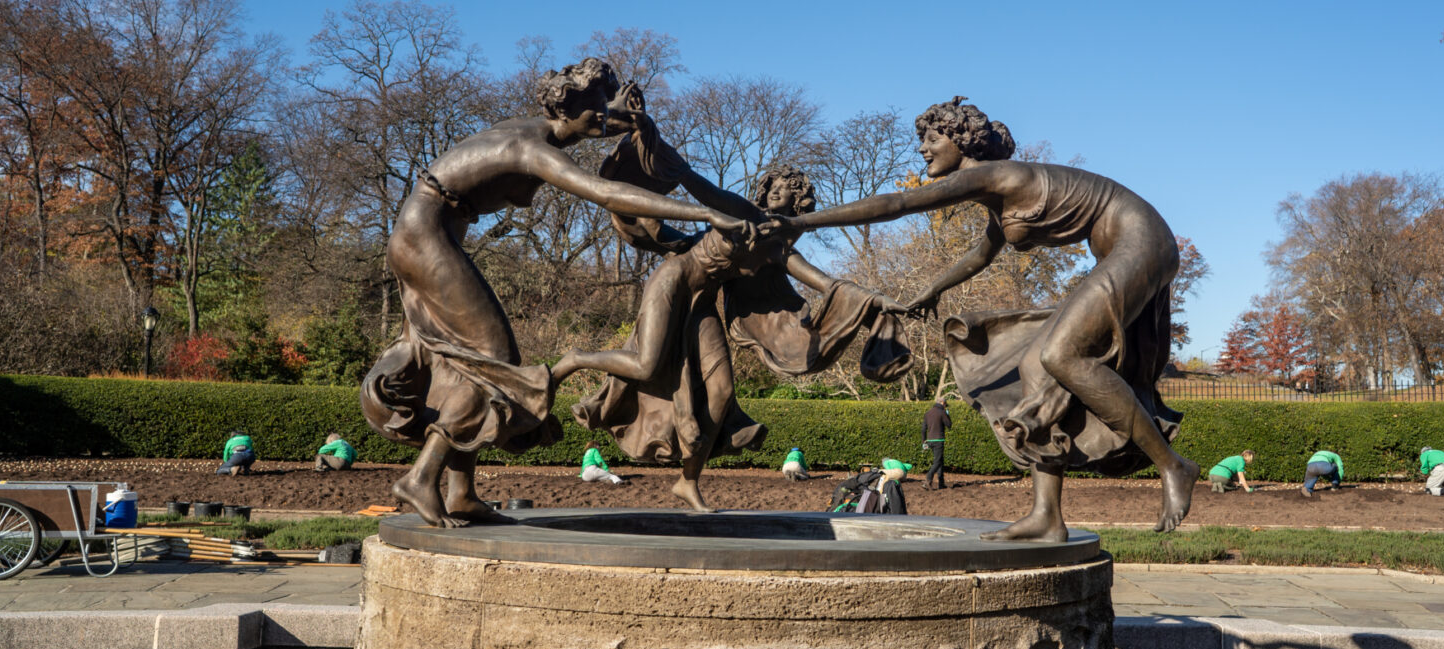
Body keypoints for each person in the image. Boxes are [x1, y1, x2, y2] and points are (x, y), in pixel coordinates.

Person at [778, 97, 1196, 541]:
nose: (922, 149)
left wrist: (802, 223)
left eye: (932, 138)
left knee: (1060, 355)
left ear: (962, 141)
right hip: (1123, 249)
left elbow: (899, 202)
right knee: (1034, 367)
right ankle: (1047, 517)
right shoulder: (998, 195)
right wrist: (933, 289)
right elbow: (980, 255)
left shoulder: (996, 173)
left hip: (1142, 239)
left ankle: (1173, 466)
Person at [358, 58, 748, 528]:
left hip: (428, 231)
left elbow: (590, 128)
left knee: (474, 361)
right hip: (426, 236)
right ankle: (422, 478)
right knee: (497, 362)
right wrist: (704, 215)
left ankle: (460, 493)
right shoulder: (533, 150)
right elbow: (607, 194)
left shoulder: (546, 130)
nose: (603, 121)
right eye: (596, 112)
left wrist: (625, 116)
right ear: (568, 111)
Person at [556, 161, 906, 511]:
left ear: (796, 204)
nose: (774, 194)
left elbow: (828, 284)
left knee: (722, 391)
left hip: (704, 302)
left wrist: (877, 301)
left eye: (784, 191)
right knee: (646, 366)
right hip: (674, 280)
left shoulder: (777, 249)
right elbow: (709, 193)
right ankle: (575, 360)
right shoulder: (743, 212)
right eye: (772, 188)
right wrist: (675, 165)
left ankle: (688, 480)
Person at [922, 397, 953, 489]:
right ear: (942, 403)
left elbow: (923, 429)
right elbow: (949, 425)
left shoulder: (927, 413)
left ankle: (941, 483)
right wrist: (947, 415)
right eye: (945, 404)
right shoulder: (942, 412)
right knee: (938, 461)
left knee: (940, 461)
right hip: (939, 440)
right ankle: (928, 479)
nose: (945, 406)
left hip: (930, 440)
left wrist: (924, 441)